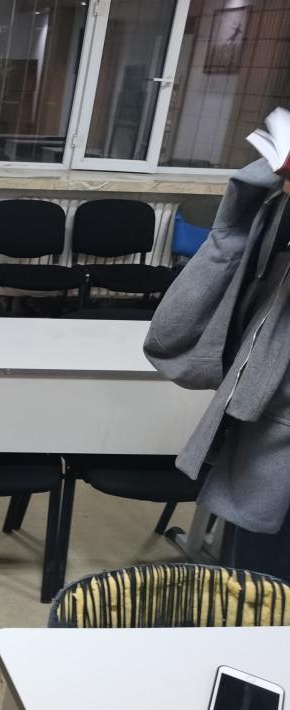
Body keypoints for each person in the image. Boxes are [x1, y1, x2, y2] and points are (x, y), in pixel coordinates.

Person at [145, 161, 290, 580]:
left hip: (272, 429)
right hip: (268, 434)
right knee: (258, 583)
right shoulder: (270, 210)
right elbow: (171, 338)